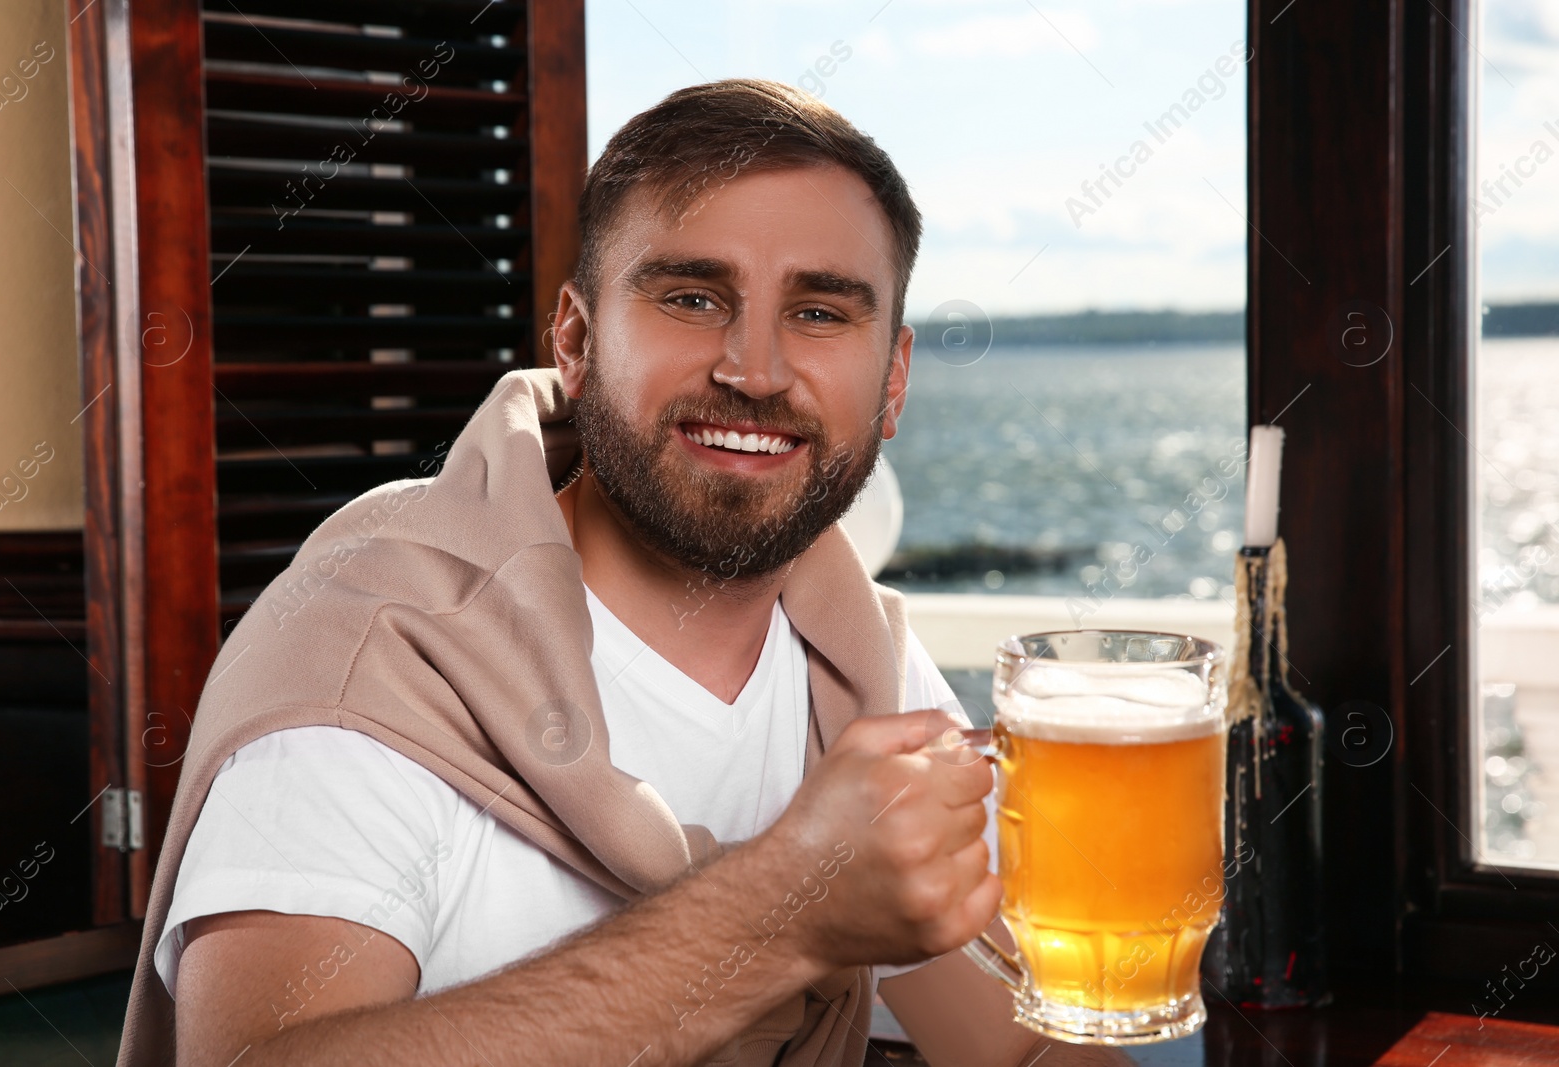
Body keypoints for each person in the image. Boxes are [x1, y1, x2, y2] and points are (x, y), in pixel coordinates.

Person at [121, 79, 1100, 1067]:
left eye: (818, 311)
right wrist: (781, 913)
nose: (753, 369)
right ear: (578, 341)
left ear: (891, 382)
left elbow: (1023, 1049)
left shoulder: (859, 658)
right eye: (690, 297)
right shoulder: (371, 643)